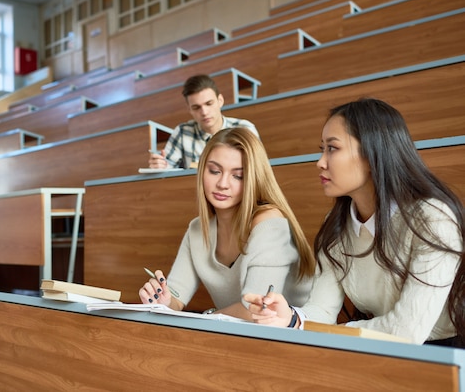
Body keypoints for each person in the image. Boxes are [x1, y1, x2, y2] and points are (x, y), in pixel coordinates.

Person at [245, 98, 465, 347]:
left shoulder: (432, 218)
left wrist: (330, 332)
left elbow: (406, 331)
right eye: (322, 149)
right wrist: (291, 318)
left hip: (445, 356)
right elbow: (322, 310)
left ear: (372, 155)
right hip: (374, 347)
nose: (320, 162)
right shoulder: (337, 224)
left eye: (332, 148)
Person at [139, 127, 315, 320]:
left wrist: (208, 316)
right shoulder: (197, 229)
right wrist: (163, 301)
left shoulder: (270, 222)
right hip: (236, 336)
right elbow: (176, 298)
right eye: (214, 171)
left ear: (253, 179)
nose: (223, 183)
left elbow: (255, 310)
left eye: (237, 175)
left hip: (295, 339)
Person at [148, 74, 258, 169]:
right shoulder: (182, 132)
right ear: (189, 109)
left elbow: (257, 168)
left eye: (209, 104)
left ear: (220, 101)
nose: (204, 112)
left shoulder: (245, 129)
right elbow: (168, 167)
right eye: (196, 107)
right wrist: (160, 165)